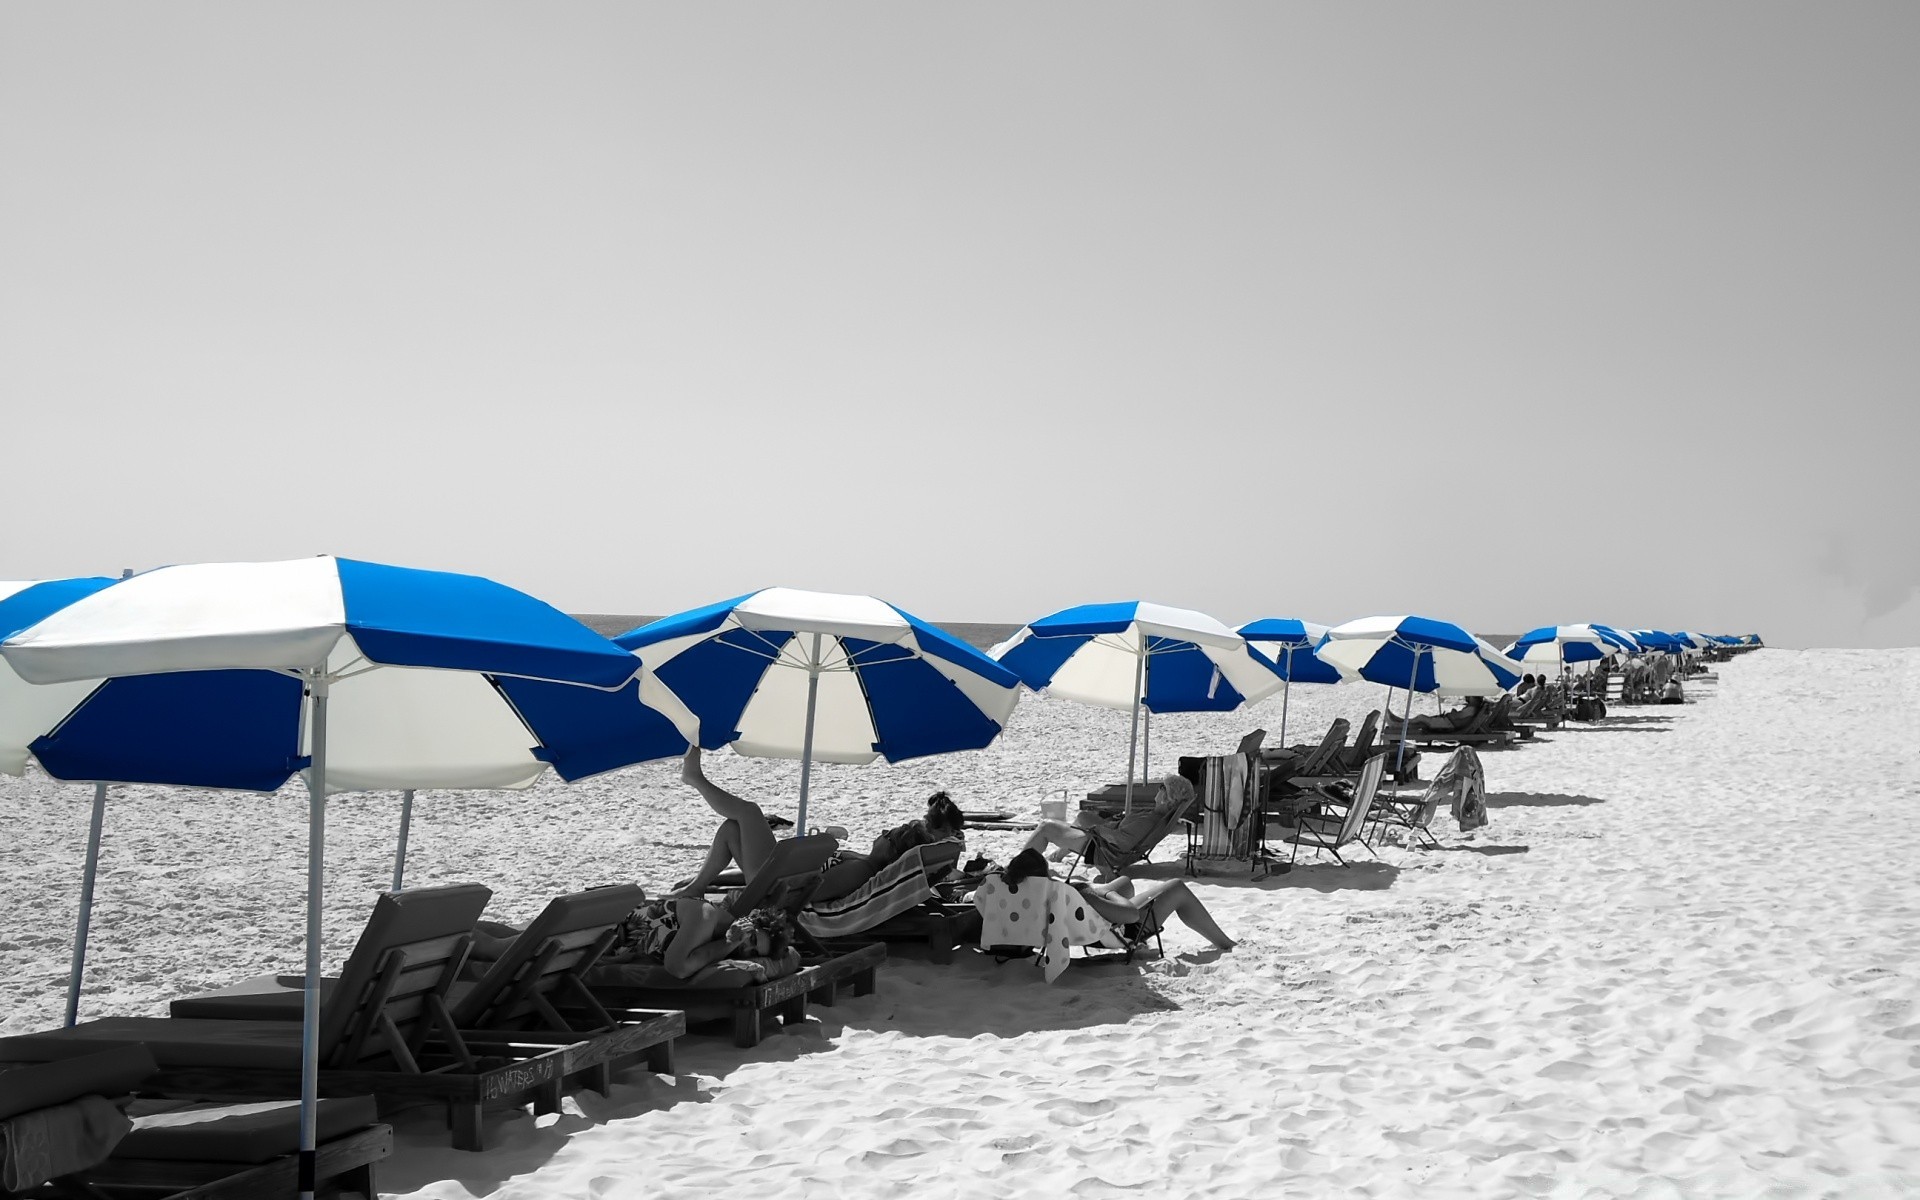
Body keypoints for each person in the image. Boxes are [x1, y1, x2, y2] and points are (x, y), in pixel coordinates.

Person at [1002, 847, 1234, 950]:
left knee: (1124, 881)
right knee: (1177, 887)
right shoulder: (1077, 895)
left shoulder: (1019, 896)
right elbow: (1131, 916)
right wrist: (1101, 894)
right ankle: (1225, 943)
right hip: (1120, 932)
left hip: (1082, 926)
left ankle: (1109, 886)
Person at [1019, 774, 1196, 881]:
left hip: (1103, 851)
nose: (1157, 790)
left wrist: (1098, 828)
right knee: (1082, 817)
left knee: (1045, 827)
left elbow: (1122, 841)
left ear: (1167, 797)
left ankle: (1018, 867)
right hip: (1108, 847)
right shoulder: (1156, 818)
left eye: (1161, 787)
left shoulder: (1148, 821)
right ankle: (1060, 852)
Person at [813, 792, 968, 900]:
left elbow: (807, 895)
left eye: (888, 834)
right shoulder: (867, 865)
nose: (883, 830)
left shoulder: (860, 870)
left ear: (890, 851)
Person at [670, 745, 779, 898]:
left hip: (780, 889)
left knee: (749, 811)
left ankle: (695, 779)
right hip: (788, 879)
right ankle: (696, 887)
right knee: (731, 829)